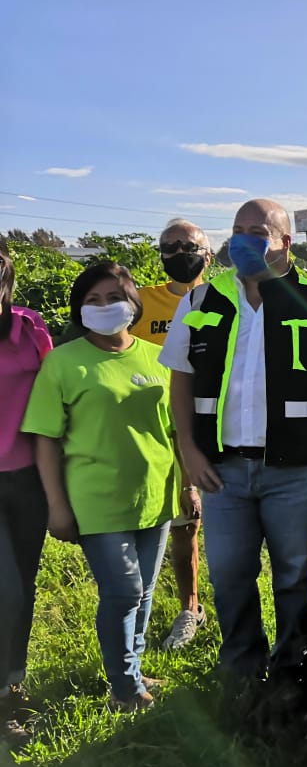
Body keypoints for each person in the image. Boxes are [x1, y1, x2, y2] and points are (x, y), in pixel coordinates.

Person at [161, 199, 307, 701]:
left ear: (284, 241)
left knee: (295, 573)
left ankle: (295, 670)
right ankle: (240, 667)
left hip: (299, 468)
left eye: (257, 230)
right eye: (237, 230)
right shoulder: (199, 303)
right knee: (231, 573)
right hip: (222, 468)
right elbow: (180, 383)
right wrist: (188, 451)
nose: (243, 240)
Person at [23, 263, 182, 712]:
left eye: (113, 297)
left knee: (146, 592)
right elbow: (46, 438)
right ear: (79, 309)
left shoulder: (157, 356)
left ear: (133, 303)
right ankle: (125, 688)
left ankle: (133, 665)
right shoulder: (64, 362)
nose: (103, 307)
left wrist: (187, 485)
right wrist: (57, 505)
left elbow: (174, 430)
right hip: (96, 500)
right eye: (92, 300)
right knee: (125, 591)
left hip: (155, 494)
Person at [134, 219, 212, 650]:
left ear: (208, 252)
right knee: (183, 524)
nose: (179, 252)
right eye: (169, 246)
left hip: (217, 424)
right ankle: (190, 607)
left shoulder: (225, 298)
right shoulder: (142, 303)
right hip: (162, 428)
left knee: (199, 520)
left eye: (188, 245)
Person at [0, 246, 52, 746]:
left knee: (24, 587)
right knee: (6, 591)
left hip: (28, 478)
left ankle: (12, 684)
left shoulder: (30, 328)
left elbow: (54, 398)